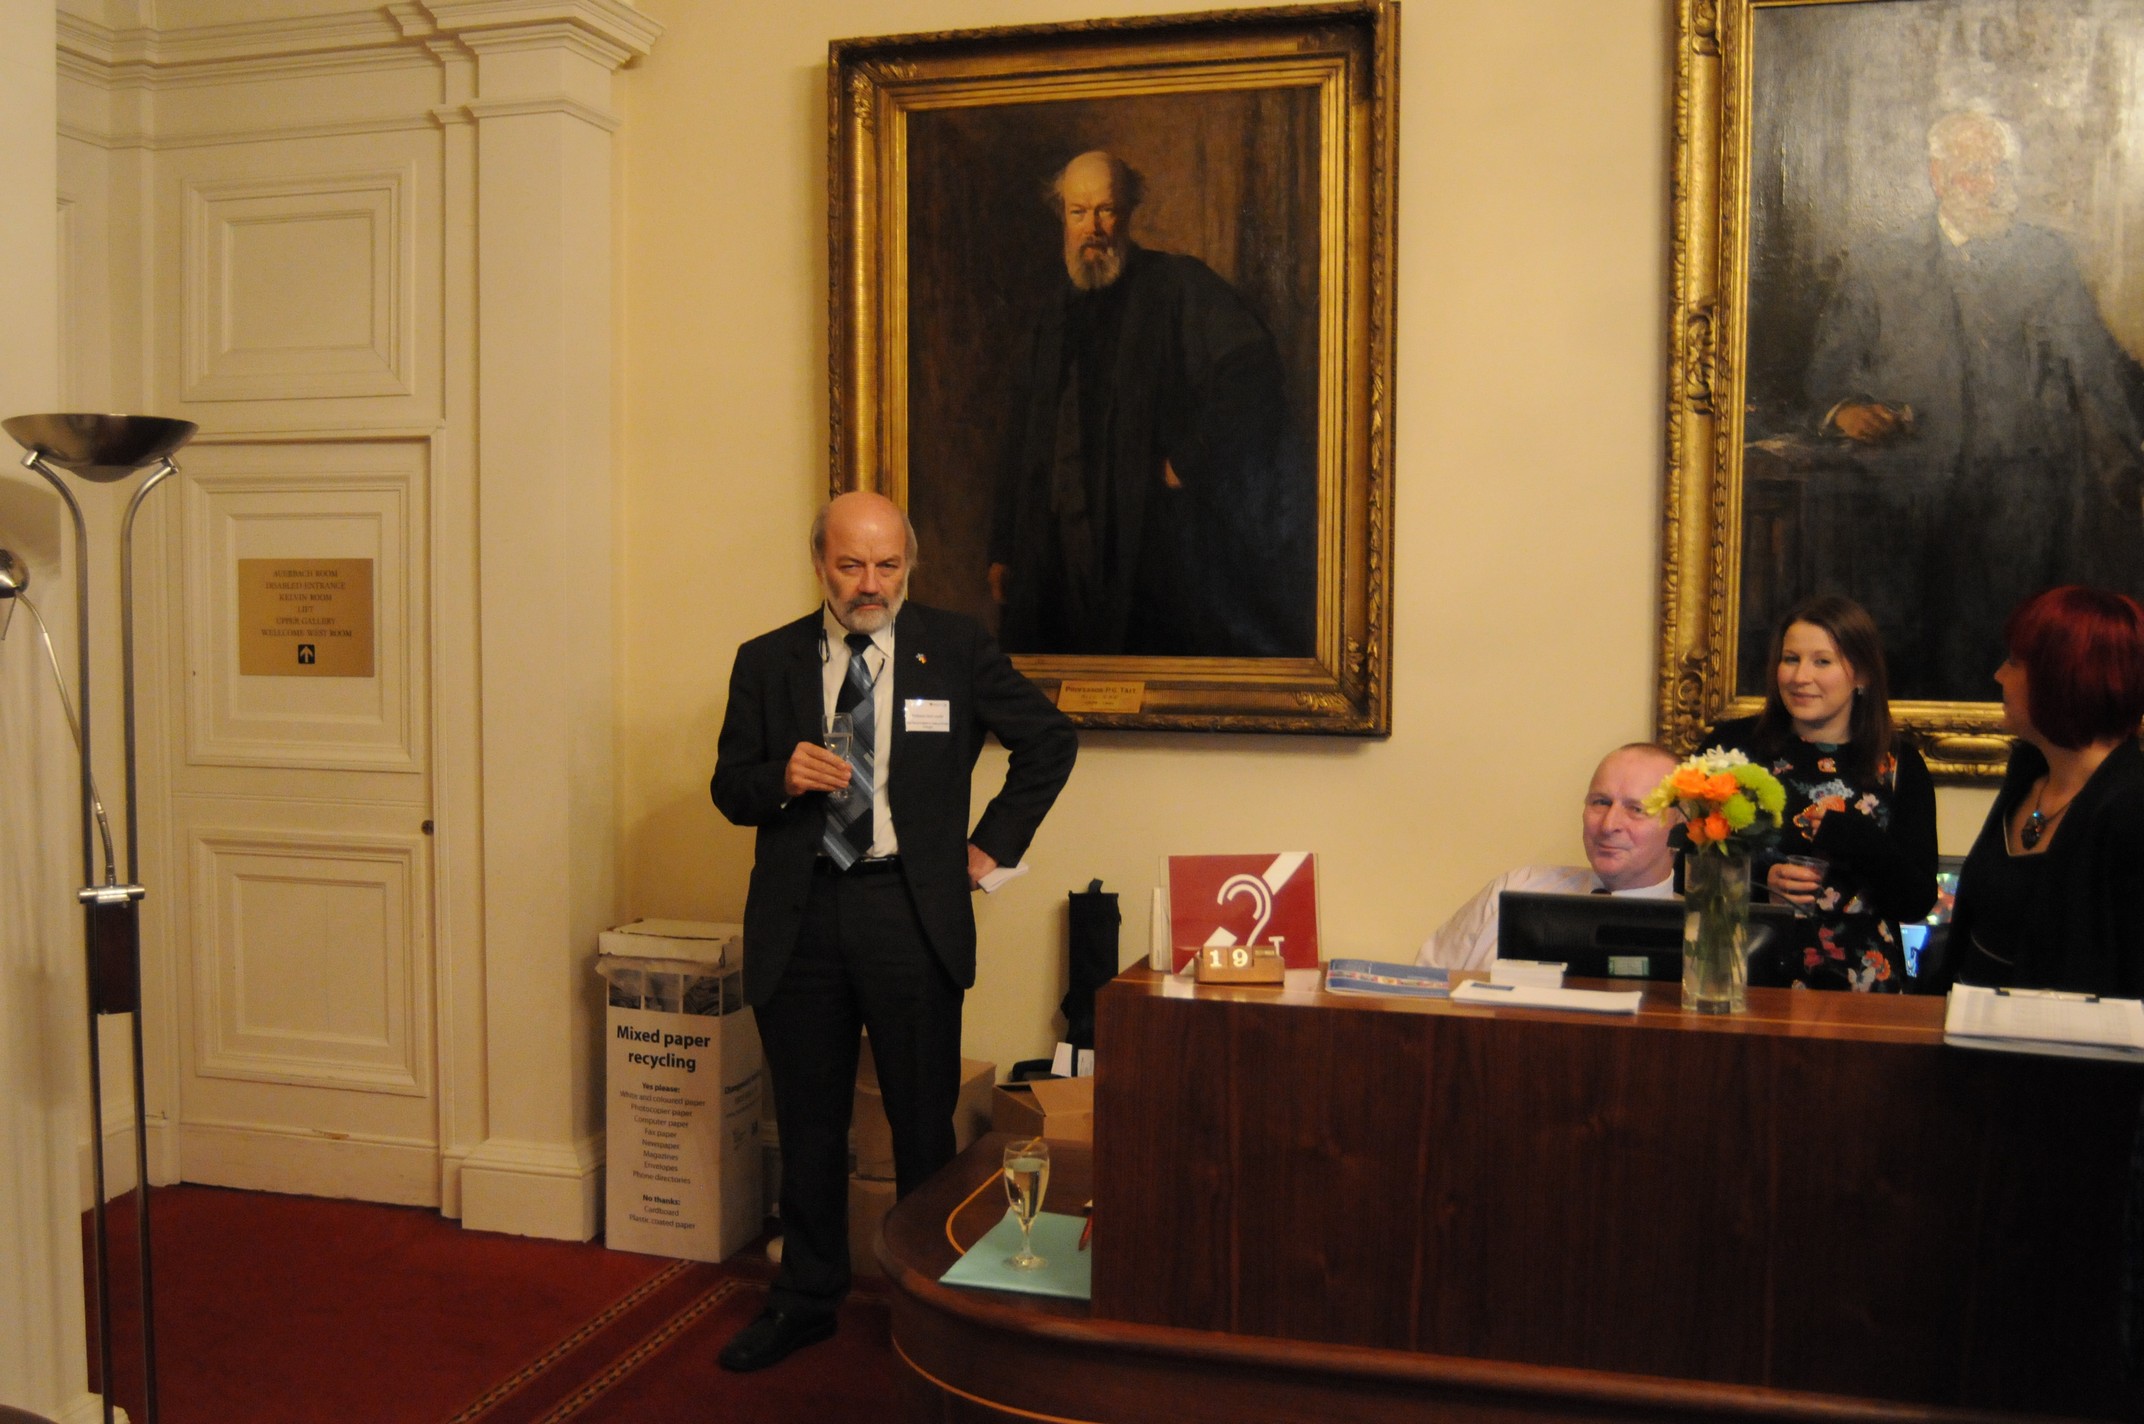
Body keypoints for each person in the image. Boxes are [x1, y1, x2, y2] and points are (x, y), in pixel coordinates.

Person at [709, 491, 1077, 1371]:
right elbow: (729, 788)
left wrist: (990, 848)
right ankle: (806, 1298)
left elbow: (1049, 741)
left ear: (908, 564)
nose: (870, 584)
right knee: (808, 1124)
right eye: (851, 565)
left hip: (908, 914)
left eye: (887, 564)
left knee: (921, 1126)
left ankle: (929, 1302)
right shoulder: (767, 659)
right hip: (802, 914)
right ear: (820, 564)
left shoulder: (954, 648)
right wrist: (780, 777)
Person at [1804, 110, 2144, 699]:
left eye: (2000, 170)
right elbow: (1825, 375)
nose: (1990, 184)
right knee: (1912, 661)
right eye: (1973, 170)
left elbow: (2101, 369)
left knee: (2005, 656)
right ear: (1938, 177)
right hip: (1906, 499)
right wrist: (1844, 410)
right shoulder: (1880, 262)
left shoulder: (2046, 259)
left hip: (2024, 504)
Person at [986, 149, 1312, 658]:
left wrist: (1191, 459)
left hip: (1147, 555)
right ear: (1063, 218)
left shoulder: (1176, 285)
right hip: (1057, 555)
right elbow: (1021, 437)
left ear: (1129, 212)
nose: (1093, 228)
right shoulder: (1051, 317)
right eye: (1078, 212)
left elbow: (1253, 372)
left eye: (1106, 210)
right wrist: (1004, 548)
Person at [1708, 595, 1936, 992]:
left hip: (1859, 986)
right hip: (1747, 975)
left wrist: (1856, 839)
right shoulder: (1733, 748)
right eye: (1791, 659)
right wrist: (1759, 880)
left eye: (1822, 662)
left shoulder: (1901, 764)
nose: (1800, 677)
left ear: (1861, 674)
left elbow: (1916, 901)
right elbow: (1683, 868)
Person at [1925, 586, 2144, 997]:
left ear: (2063, 678)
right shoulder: (2028, 772)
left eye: (2014, 662)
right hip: (1970, 1026)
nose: (1999, 675)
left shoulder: (2131, 810)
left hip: (2056, 1038)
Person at [1417, 743, 1680, 972]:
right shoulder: (1517, 888)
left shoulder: (1695, 935)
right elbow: (1423, 987)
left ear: (1680, 826)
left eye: (1636, 809)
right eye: (1600, 802)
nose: (1609, 825)